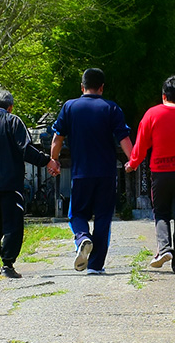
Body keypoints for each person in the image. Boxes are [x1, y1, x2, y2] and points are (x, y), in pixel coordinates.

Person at [0, 89, 58, 278]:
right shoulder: (14, 122)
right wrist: (47, 160)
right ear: (10, 107)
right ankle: (8, 264)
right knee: (13, 224)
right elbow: (26, 149)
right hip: (11, 184)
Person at [48, 68, 134, 274]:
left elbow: (57, 138)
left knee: (77, 213)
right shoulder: (111, 108)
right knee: (104, 217)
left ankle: (82, 237)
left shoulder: (69, 107)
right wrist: (133, 160)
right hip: (106, 173)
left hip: (81, 173)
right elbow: (124, 138)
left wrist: (54, 161)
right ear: (102, 88)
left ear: (82, 87)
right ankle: (95, 265)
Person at [125, 75, 175, 275]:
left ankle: (163, 248)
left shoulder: (152, 114)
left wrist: (132, 164)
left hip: (160, 173)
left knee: (161, 213)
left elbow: (141, 145)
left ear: (164, 95)